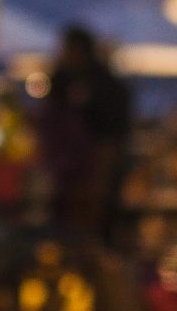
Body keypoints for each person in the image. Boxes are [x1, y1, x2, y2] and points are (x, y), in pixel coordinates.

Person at [40, 24, 131, 245]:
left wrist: (100, 181)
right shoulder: (64, 82)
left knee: (89, 236)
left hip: (89, 174)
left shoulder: (103, 87)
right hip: (68, 176)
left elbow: (110, 140)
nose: (62, 55)